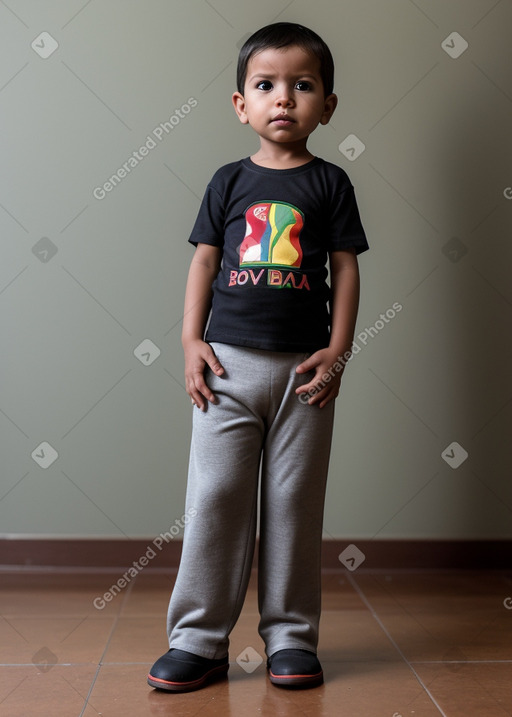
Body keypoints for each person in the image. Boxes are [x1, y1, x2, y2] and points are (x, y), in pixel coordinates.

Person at [148, 21, 369, 693]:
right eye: (266, 85)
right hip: (228, 369)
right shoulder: (227, 181)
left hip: (305, 373)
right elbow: (205, 261)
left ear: (327, 106)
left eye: (302, 86)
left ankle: (292, 637)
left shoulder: (331, 184)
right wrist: (191, 340)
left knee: (293, 501)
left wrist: (338, 349)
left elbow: (346, 269)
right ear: (241, 103)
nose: (284, 99)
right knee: (214, 496)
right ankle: (198, 638)